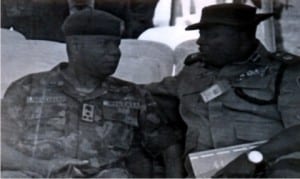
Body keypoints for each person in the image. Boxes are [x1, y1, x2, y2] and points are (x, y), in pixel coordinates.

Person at [1, 9, 181, 178]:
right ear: (76, 46)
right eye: (105, 45)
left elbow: (169, 148)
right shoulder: (27, 89)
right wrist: (39, 166)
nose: (115, 53)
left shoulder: (133, 95)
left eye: (117, 45)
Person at [146, 3, 300, 177]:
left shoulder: (284, 73)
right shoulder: (193, 72)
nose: (199, 41)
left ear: (243, 36)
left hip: (264, 171)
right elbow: (144, 95)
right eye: (201, 34)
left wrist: (254, 158)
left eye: (212, 35)